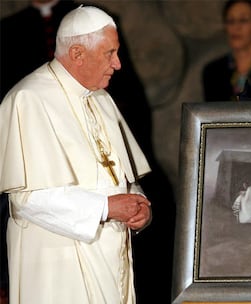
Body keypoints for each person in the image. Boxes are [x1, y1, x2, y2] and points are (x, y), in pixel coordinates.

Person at [0, 2, 176, 303]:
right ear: (78, 54)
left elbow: (118, 174)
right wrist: (107, 208)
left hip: (110, 258)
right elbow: (26, 198)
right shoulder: (27, 99)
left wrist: (138, 205)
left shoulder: (103, 99)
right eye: (110, 53)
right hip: (58, 263)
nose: (118, 63)